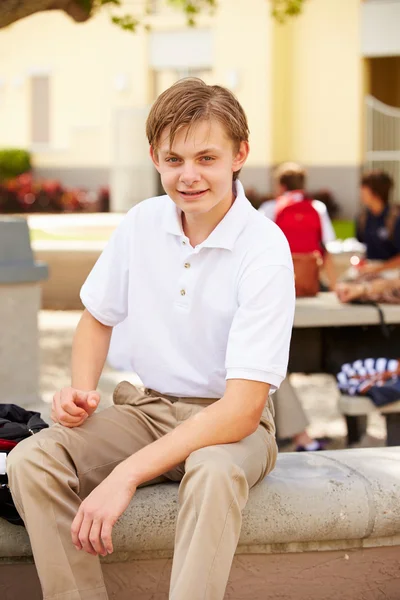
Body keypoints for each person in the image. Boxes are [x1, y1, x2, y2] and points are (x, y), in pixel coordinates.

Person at [7, 78, 295, 600]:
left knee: (210, 471)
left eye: (207, 157)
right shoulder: (142, 222)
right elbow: (97, 317)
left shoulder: (265, 249)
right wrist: (80, 389)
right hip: (151, 409)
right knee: (33, 457)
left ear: (240, 155)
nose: (189, 176)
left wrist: (124, 477)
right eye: (173, 159)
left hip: (232, 425)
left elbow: (243, 410)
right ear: (154, 157)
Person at [258, 162, 337, 291]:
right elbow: (328, 246)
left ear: (281, 186)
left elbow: (257, 242)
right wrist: (333, 286)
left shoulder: (270, 208)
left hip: (277, 281)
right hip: (310, 281)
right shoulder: (317, 207)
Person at [356, 170, 400, 277]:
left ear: (376, 192)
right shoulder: (363, 218)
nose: (361, 192)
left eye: (364, 188)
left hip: (392, 273)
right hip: (369, 270)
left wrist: (379, 269)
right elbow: (361, 246)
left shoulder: (395, 218)